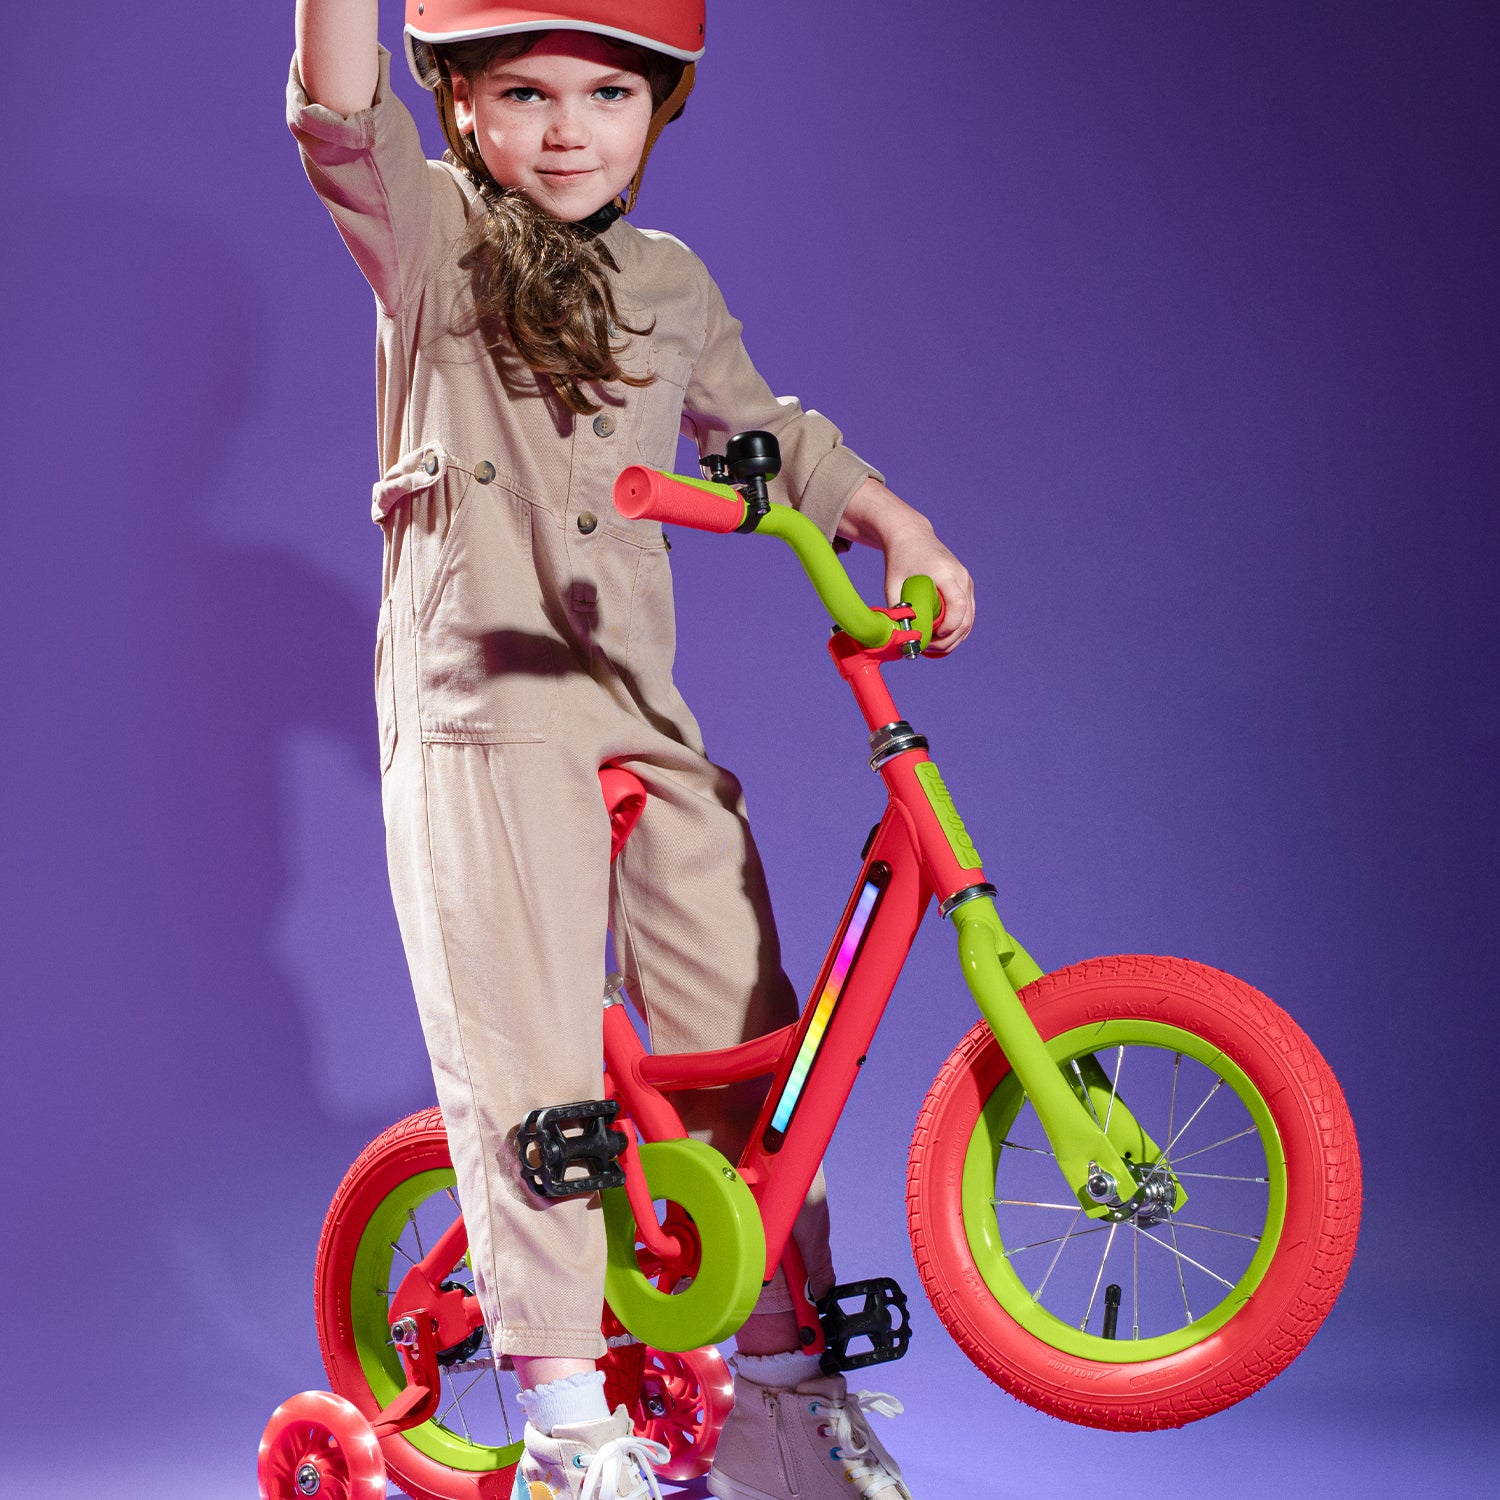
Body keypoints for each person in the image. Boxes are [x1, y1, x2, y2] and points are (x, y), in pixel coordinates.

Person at [288, 3, 974, 1496]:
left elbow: (768, 432)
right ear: (461, 104)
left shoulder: (666, 280)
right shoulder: (435, 247)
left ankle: (786, 1392)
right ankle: (562, 1421)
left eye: (607, 92)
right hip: (484, 707)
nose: (565, 127)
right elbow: (336, 115)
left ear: (659, 111)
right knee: (532, 1058)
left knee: (751, 1031)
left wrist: (894, 523)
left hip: (635, 708)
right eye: (523, 91)